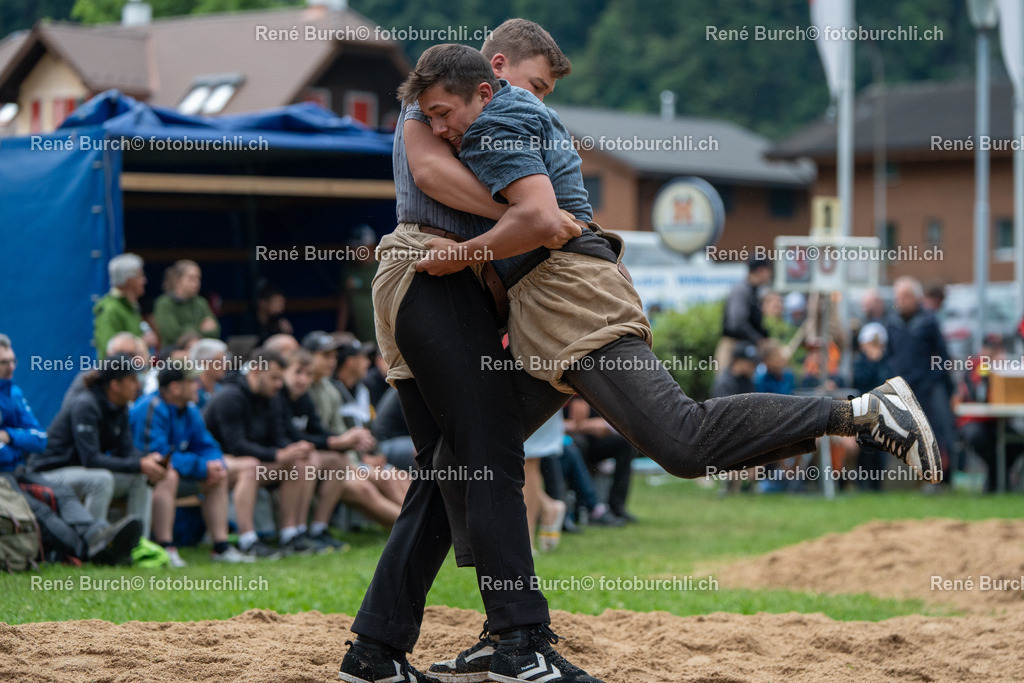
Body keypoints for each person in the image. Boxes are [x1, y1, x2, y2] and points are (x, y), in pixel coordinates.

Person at [404, 40, 944, 668]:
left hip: (575, 300)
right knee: (464, 453)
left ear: (489, 84)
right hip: (548, 309)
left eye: (442, 113)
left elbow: (540, 219)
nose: (436, 127)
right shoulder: (502, 113)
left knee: (681, 442)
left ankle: (861, 412)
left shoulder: (503, 115)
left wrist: (459, 255)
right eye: (430, 118)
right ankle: (509, 635)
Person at [339, 20, 588, 683]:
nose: (535, 102)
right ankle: (518, 641)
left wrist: (517, 222)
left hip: (434, 279)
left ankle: (375, 652)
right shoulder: (430, 99)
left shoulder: (484, 114)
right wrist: (528, 217)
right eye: (530, 86)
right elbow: (427, 171)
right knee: (491, 449)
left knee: (445, 471)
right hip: (429, 272)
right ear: (495, 72)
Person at [29, 353, 172, 542]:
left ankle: (138, 546)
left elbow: (127, 452)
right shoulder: (85, 405)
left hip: (80, 472)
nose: (137, 385)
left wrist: (147, 462)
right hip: (47, 474)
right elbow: (91, 460)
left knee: (140, 478)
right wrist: (139, 464)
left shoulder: (121, 407)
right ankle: (95, 546)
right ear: (115, 385)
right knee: (101, 479)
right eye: (131, 379)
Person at [203, 347, 324, 556]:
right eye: (274, 378)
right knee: (251, 466)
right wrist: (278, 455)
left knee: (299, 463)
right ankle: (247, 539)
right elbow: (236, 445)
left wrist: (292, 449)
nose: (279, 385)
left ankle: (290, 534)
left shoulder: (273, 397)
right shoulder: (230, 397)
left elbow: (278, 438)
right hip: (215, 463)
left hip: (253, 461)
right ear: (256, 371)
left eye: (280, 379)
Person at [131, 364, 256, 563]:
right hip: (144, 478)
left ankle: (221, 548)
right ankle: (166, 548)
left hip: (181, 473)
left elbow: (206, 445)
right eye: (191, 381)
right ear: (174, 388)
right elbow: (157, 456)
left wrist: (214, 464)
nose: (197, 386)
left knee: (218, 474)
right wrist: (201, 466)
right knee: (167, 474)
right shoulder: (150, 407)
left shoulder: (189, 409)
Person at [281, 348, 402, 533]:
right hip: (316, 463)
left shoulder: (331, 390)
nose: (332, 362)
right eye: (325, 356)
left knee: (395, 475)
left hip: (343, 460)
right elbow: (298, 437)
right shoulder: (294, 393)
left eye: (334, 357)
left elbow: (325, 433)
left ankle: (426, 523)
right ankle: (415, 528)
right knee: (365, 484)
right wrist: (348, 450)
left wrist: (367, 455)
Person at [885, 276, 954, 480]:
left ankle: (937, 478)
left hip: (925, 388)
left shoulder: (928, 321)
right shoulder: (891, 322)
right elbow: (888, 355)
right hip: (900, 387)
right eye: (898, 296)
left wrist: (932, 379)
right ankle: (901, 480)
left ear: (916, 297)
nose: (901, 300)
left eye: (905, 295)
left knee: (931, 433)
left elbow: (942, 356)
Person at [94, 253, 158, 357]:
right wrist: (142, 342)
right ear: (129, 280)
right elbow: (109, 350)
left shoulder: (131, 306)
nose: (144, 280)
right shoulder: (110, 309)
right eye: (140, 275)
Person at [853, 323, 892, 490]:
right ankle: (863, 482)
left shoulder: (886, 363)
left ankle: (877, 483)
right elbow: (860, 382)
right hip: (863, 410)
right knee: (865, 446)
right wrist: (872, 362)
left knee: (881, 448)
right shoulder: (860, 363)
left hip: (882, 411)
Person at [715, 256, 772, 370]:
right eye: (768, 270)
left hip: (746, 347)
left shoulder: (754, 291)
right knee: (730, 384)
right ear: (761, 270)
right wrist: (758, 339)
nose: (769, 275)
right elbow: (737, 323)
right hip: (733, 347)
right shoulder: (741, 290)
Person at [0, 334, 47, 472]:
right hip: (8, 475)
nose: (11, 367)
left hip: (19, 473)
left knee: (62, 493)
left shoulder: (14, 394)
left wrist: (9, 436)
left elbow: (40, 439)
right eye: (3, 362)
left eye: (13, 360)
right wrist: (18, 449)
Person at [153, 260, 220, 347]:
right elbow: (172, 335)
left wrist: (188, 332)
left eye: (198, 278)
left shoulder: (200, 302)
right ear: (177, 279)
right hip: (173, 351)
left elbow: (215, 330)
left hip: (202, 349)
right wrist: (200, 328)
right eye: (191, 278)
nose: (196, 283)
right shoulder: (164, 303)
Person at [190, 338, 230, 410]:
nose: (225, 366)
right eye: (220, 361)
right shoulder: (192, 391)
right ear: (204, 363)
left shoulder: (220, 389)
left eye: (225, 361)